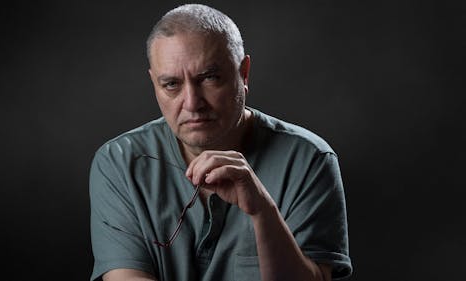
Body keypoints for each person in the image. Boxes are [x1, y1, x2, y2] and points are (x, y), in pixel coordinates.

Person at [89, 4, 352, 281]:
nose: (192, 103)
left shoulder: (309, 159)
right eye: (171, 85)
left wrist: (263, 211)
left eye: (209, 78)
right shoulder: (119, 162)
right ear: (154, 83)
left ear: (244, 73)